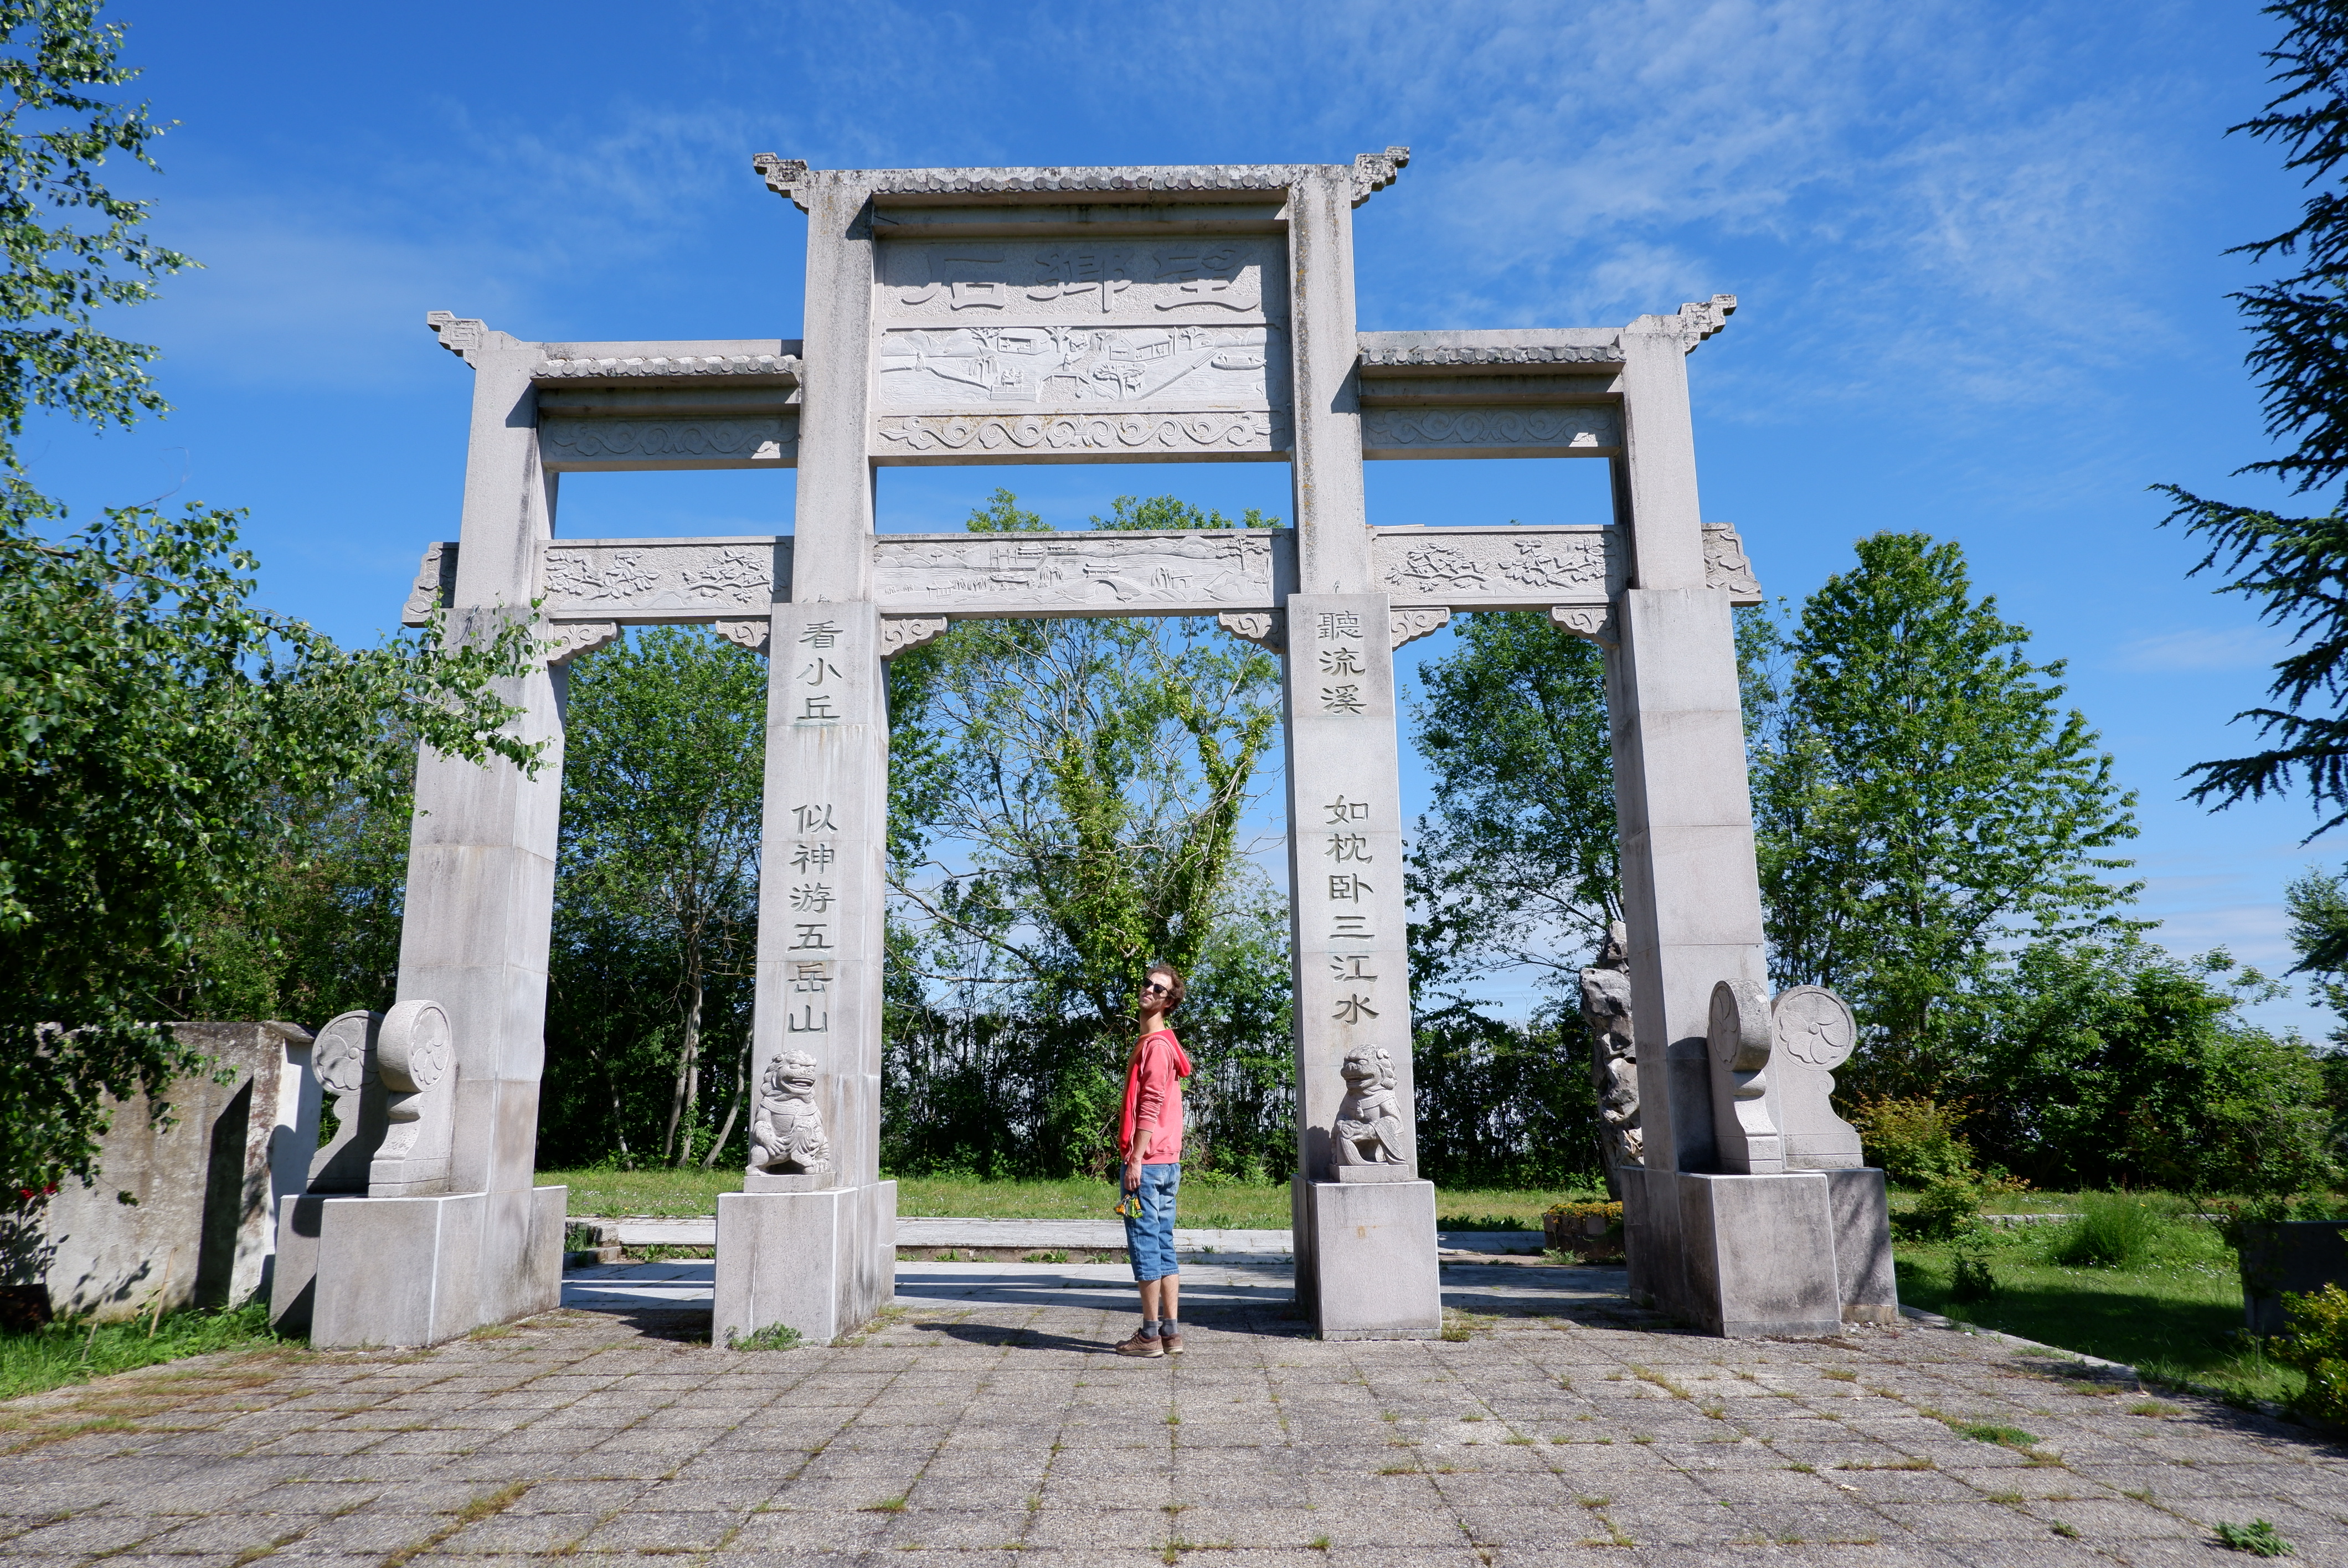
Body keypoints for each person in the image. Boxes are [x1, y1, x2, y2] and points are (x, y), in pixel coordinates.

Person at [1114, 961, 1191, 1356]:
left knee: (1146, 1245)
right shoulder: (1159, 1043)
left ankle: (1149, 1336)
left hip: (1150, 1162)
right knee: (1162, 1243)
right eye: (1147, 984)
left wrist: (1136, 1159)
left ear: (1170, 1002)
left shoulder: (1158, 1046)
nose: (1149, 990)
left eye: (1159, 989)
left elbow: (1150, 1105)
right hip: (1166, 1161)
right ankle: (1171, 1333)